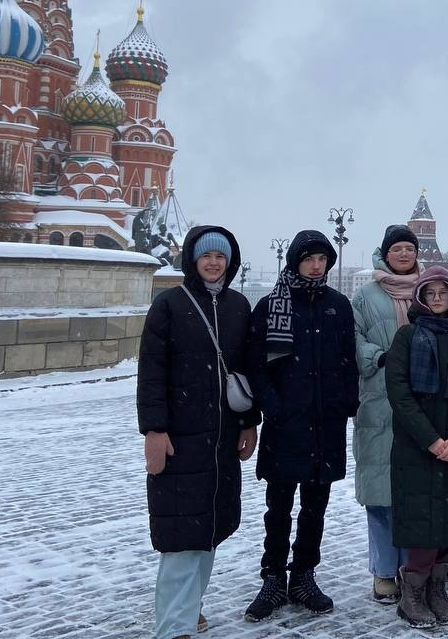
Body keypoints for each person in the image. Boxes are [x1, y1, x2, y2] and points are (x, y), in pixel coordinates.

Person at [137, 226, 259, 639]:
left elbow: (246, 370)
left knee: (207, 532)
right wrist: (155, 430)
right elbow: (152, 372)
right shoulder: (169, 305)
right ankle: (174, 628)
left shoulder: (239, 306)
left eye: (220, 257)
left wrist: (249, 422)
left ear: (230, 261)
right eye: (206, 256)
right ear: (192, 259)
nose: (213, 263)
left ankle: (189, 608)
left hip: (222, 440)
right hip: (180, 437)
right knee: (181, 538)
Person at [244, 230, 359, 621]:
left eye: (322, 258)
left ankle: (304, 575)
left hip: (325, 423)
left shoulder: (338, 305)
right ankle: (273, 577)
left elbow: (348, 359)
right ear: (294, 260)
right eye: (309, 258)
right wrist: (273, 407)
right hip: (285, 423)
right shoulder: (271, 305)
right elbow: (256, 365)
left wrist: (346, 401)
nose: (316, 265)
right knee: (278, 507)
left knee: (315, 506)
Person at [386, 266, 448, 628]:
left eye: (444, 292)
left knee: (447, 521)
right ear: (421, 298)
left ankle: (436, 591)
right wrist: (431, 439)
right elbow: (400, 393)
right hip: (416, 446)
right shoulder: (407, 337)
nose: (437, 298)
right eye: (431, 292)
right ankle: (412, 595)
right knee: (422, 522)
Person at [354, 225, 423, 603]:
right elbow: (354, 338)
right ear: (385, 253)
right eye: (396, 248)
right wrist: (378, 358)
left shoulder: (428, 290)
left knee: (415, 491)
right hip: (378, 399)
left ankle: (414, 567)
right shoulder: (366, 295)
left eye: (408, 248)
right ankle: (384, 571)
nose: (403, 254)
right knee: (381, 494)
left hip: (420, 401)